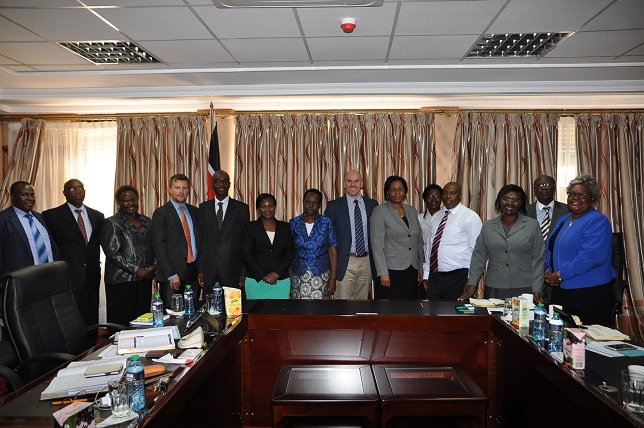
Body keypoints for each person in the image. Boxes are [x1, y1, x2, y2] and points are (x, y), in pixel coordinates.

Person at [544, 175, 616, 326]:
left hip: (588, 292)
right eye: (572, 194)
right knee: (561, 334)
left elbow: (590, 257)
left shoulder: (597, 221)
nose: (575, 198)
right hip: (561, 289)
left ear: (592, 198)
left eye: (582, 195)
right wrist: (547, 269)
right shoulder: (563, 220)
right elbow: (550, 248)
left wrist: (561, 274)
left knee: (586, 339)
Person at [459, 184, 545, 302]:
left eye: (515, 200)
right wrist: (472, 283)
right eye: (506, 199)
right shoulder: (488, 226)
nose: (510, 203)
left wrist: (537, 288)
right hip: (495, 285)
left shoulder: (532, 225)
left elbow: (538, 259)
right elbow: (478, 256)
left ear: (521, 203)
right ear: (500, 200)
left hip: (524, 285)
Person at [43, 179, 104, 328]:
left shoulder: (97, 216)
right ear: (64, 193)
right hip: (68, 276)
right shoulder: (52, 216)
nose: (77, 191)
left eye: (81, 188)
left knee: (91, 318)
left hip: (92, 275)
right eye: (72, 189)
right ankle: (73, 351)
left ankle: (91, 349)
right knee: (70, 320)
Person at [100, 185, 156, 326]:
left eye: (133, 200)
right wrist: (137, 269)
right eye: (126, 200)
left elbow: (155, 245)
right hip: (122, 281)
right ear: (119, 202)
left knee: (142, 318)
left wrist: (154, 265)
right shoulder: (111, 223)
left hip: (144, 278)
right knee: (123, 321)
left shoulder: (147, 221)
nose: (130, 203)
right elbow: (113, 252)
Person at [324, 170, 378, 300]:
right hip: (344, 263)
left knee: (362, 307)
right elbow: (326, 238)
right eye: (349, 181)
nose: (353, 184)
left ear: (362, 184)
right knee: (342, 307)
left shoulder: (373, 205)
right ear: (344, 184)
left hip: (366, 262)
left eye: (356, 181)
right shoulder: (333, 206)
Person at [423, 182, 482, 300]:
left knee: (454, 315)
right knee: (432, 313)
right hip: (435, 276)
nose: (448, 196)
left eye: (452, 193)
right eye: (445, 193)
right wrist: (426, 273)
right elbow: (430, 247)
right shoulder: (437, 216)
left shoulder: (470, 217)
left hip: (458, 277)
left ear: (460, 195)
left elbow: (476, 251)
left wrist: (471, 281)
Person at [370, 176, 424, 300]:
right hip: (390, 271)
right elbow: (376, 245)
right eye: (393, 189)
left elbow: (419, 242)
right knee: (390, 311)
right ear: (387, 192)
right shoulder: (380, 211)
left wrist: (421, 268)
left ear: (405, 191)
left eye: (400, 189)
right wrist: (383, 272)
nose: (397, 192)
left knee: (409, 309)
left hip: (411, 270)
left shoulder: (411, 211)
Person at [151, 174, 200, 309]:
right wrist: (171, 274)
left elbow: (199, 242)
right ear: (170, 189)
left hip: (193, 271)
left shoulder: (194, 211)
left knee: (191, 311)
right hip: (172, 274)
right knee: (172, 314)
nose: (181, 191)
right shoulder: (161, 213)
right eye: (177, 187)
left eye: (184, 188)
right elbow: (159, 246)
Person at [198, 170, 250, 293]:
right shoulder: (203, 208)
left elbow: (245, 242)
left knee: (233, 310)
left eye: (224, 181)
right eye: (217, 181)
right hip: (208, 271)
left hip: (233, 271)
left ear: (229, 184)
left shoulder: (242, 208)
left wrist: (243, 272)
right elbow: (200, 241)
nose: (221, 184)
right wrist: (200, 270)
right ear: (212, 185)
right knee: (210, 310)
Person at [526, 174, 570, 303]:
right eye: (539, 186)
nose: (543, 188)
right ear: (534, 190)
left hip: (558, 272)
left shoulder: (568, 211)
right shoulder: (523, 211)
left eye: (547, 185)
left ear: (554, 188)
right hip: (529, 271)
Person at [0, 181, 59, 276]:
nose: (30, 199)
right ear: (12, 196)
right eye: (25, 195)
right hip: (21, 281)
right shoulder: (3, 219)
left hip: (50, 277)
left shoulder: (40, 218)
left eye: (32, 195)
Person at [242, 193, 294, 299]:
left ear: (275, 207)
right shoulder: (250, 227)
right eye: (263, 206)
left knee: (279, 313)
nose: (267, 209)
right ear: (258, 209)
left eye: (270, 206)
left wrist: (276, 274)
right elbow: (246, 254)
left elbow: (289, 253)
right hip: (255, 280)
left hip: (280, 280)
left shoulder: (285, 227)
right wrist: (263, 276)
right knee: (255, 314)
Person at [289, 189, 338, 299]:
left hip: (321, 274)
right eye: (307, 202)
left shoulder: (326, 222)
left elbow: (332, 251)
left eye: (314, 203)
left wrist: (333, 278)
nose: (310, 206)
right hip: (298, 275)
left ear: (319, 205)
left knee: (320, 311)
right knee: (299, 310)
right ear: (303, 202)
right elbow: (289, 250)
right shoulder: (294, 223)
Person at [418, 184, 442, 249]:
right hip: (425, 257)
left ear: (441, 199)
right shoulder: (418, 219)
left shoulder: (447, 217)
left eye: (437, 196)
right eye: (430, 196)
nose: (433, 199)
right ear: (425, 199)